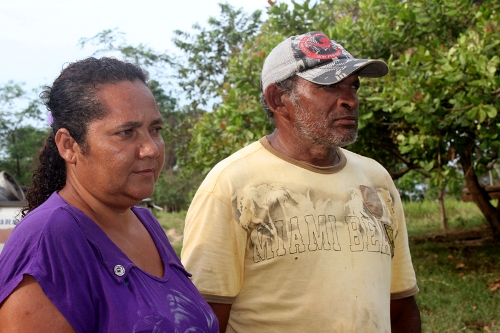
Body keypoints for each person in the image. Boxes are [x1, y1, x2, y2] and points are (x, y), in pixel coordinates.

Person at [181, 31, 421, 332]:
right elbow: (206, 317)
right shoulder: (231, 185)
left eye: (353, 87)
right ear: (278, 100)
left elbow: (400, 304)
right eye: (330, 87)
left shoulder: (376, 179)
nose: (349, 100)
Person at [0, 57, 218, 333]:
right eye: (126, 133)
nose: (151, 149)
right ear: (69, 145)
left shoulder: (145, 222)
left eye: (155, 130)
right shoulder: (49, 241)